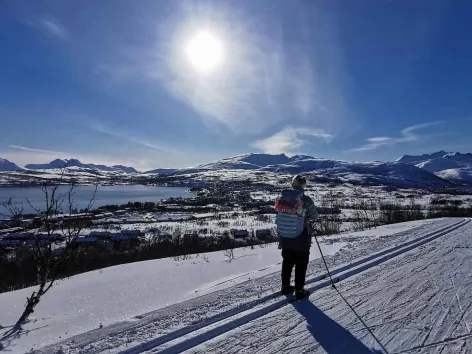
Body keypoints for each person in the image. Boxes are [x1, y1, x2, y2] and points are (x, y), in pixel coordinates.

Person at [275, 175, 318, 300]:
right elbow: (314, 216)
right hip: (301, 237)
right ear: (303, 185)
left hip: (285, 236)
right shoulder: (306, 200)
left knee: (287, 262)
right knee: (301, 263)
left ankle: (285, 286)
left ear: (292, 184)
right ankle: (299, 290)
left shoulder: (282, 198)